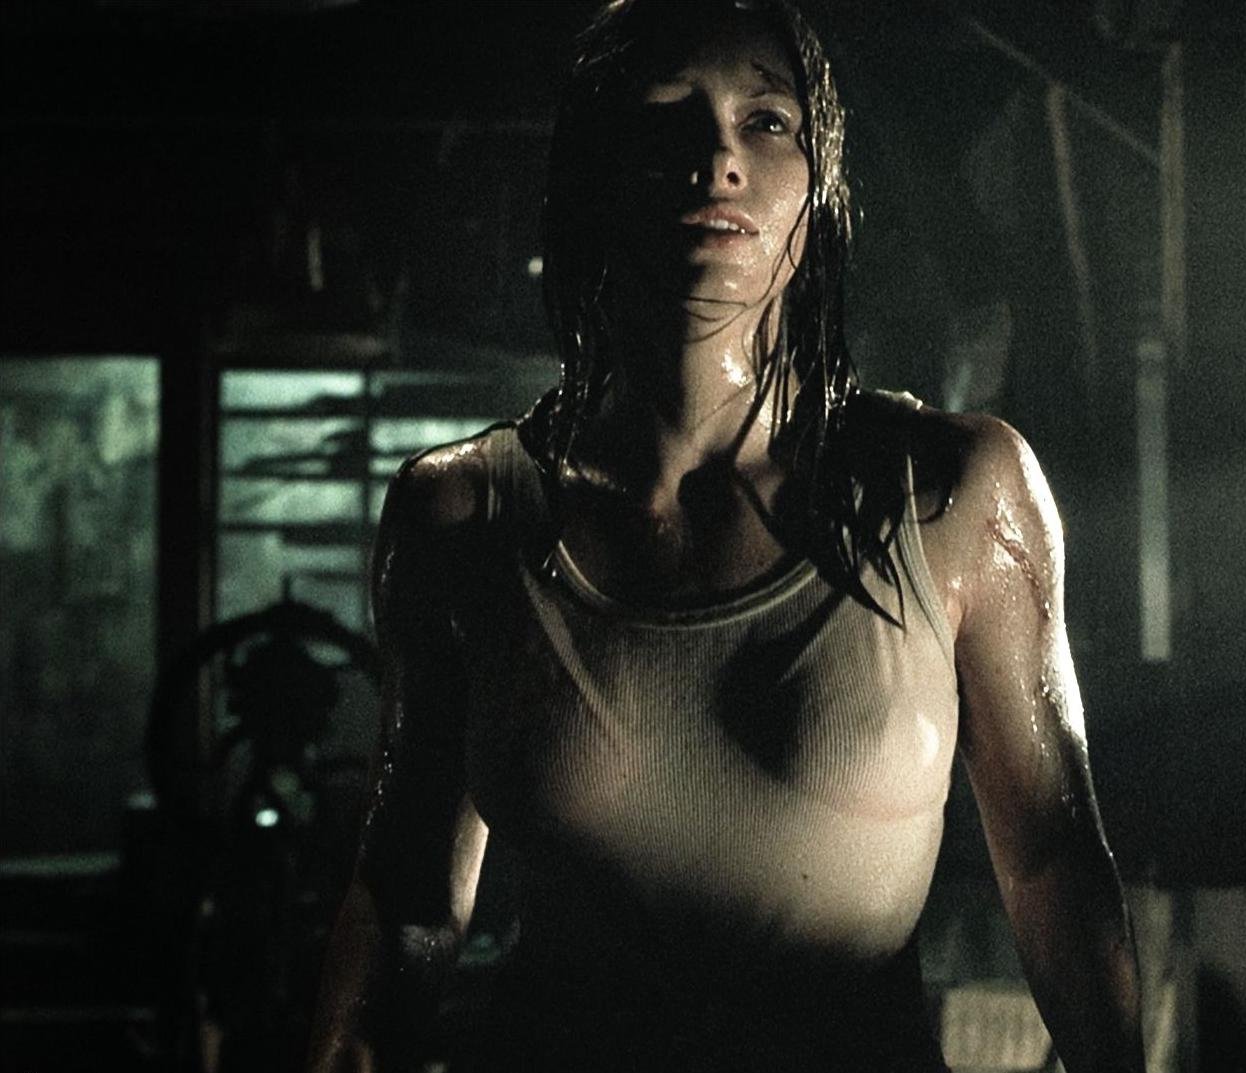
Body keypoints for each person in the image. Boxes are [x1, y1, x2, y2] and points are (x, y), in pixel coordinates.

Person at [305, 1, 1143, 1070]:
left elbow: (1052, 860)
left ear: (820, 186)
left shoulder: (955, 494)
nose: (718, 161)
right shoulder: (462, 515)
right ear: (595, 174)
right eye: (667, 118)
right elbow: (409, 896)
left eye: (767, 122)